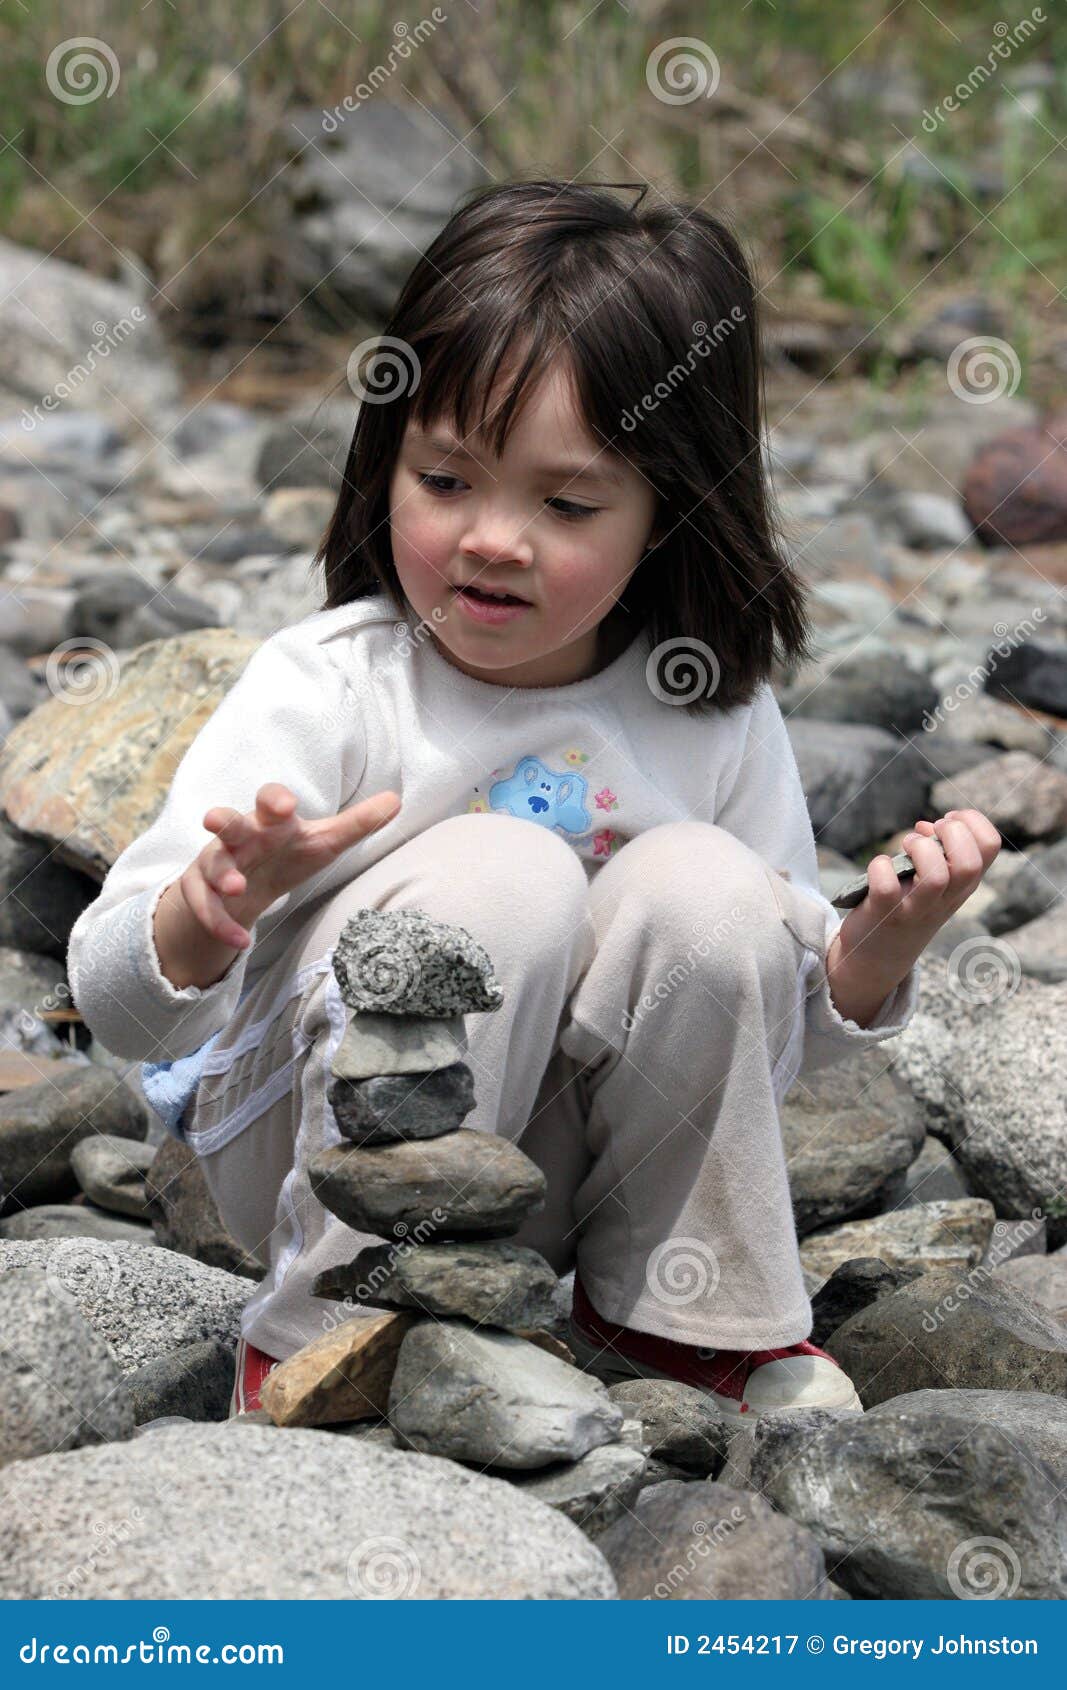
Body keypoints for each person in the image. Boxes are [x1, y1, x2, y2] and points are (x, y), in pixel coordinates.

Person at [66, 179, 1001, 1422]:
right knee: (500, 871)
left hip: (556, 1167)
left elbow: (757, 1036)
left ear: (671, 516)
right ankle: (325, 1331)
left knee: (713, 890)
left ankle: (677, 1317)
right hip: (304, 1149)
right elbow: (117, 1006)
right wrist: (210, 910)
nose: (491, 539)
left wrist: (866, 956)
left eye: (563, 504)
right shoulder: (334, 687)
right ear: (384, 458)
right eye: (446, 481)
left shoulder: (707, 708)